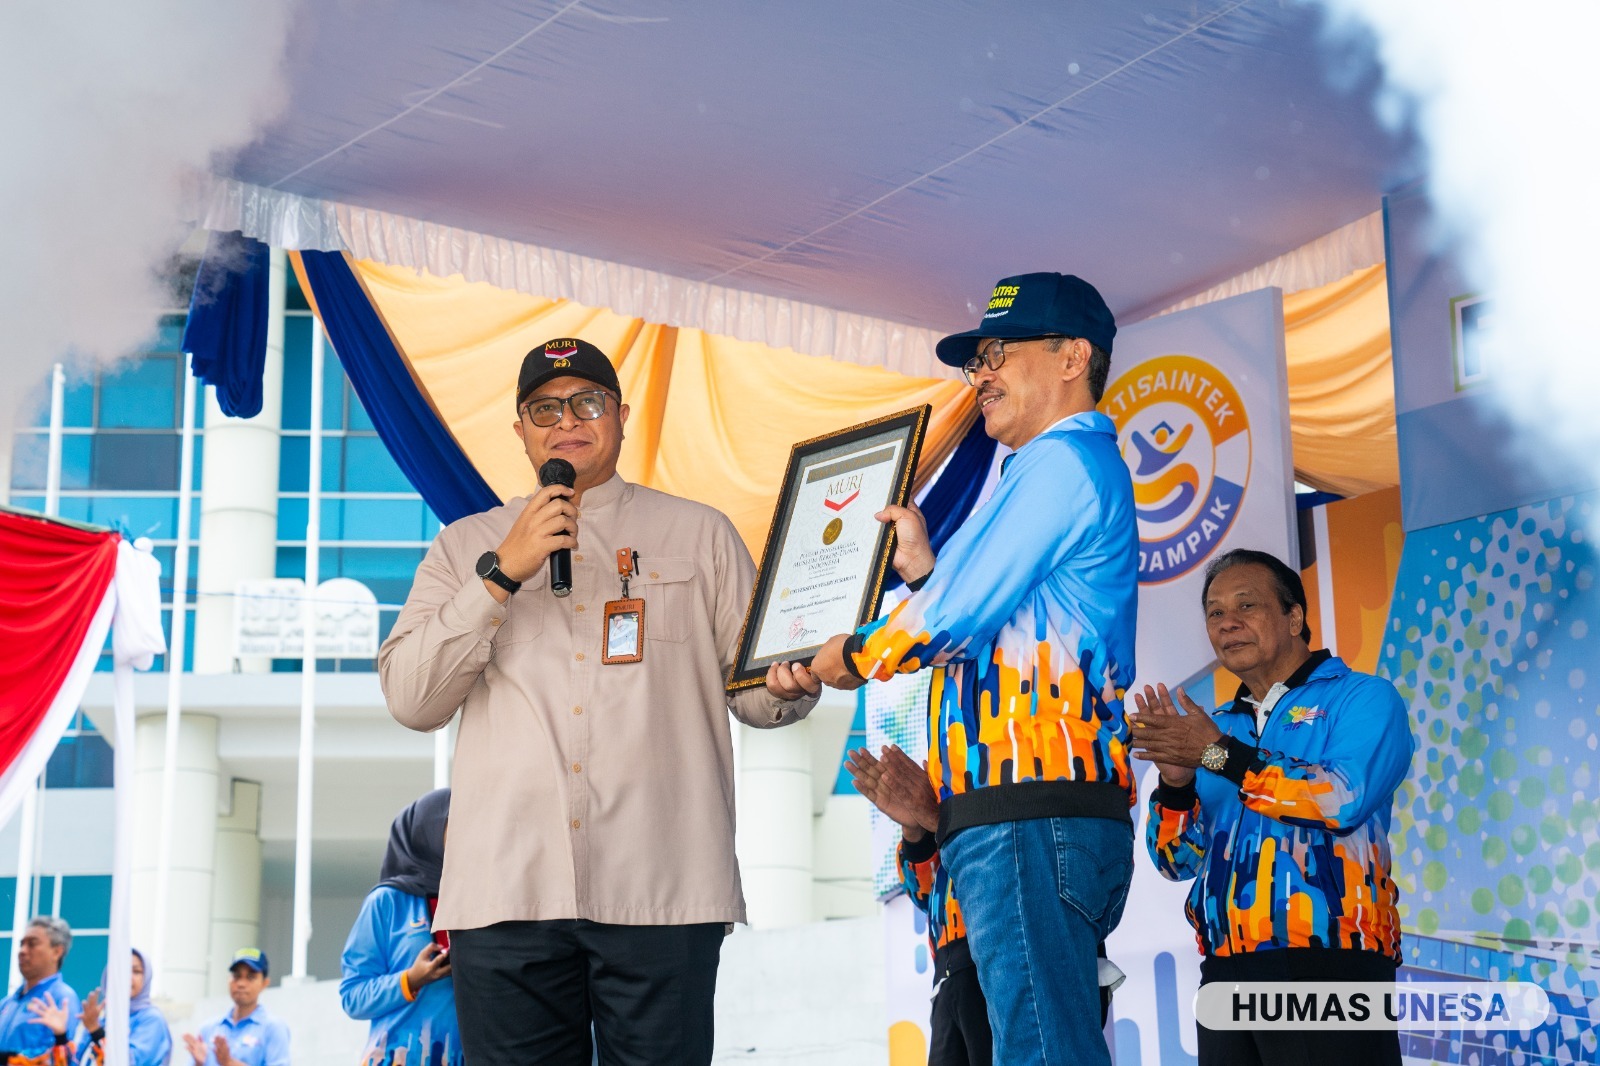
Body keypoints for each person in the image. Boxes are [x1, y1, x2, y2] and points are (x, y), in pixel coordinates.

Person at [379, 338, 820, 1065]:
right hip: (506, 891)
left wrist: (789, 687)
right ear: (520, 430)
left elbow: (757, 692)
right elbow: (411, 698)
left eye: (587, 402)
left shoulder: (699, 534)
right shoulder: (466, 547)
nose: (567, 421)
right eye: (544, 409)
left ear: (620, 415)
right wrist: (502, 573)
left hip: (663, 883)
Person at [811, 272, 1139, 1065]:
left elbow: (954, 617)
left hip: (1032, 811)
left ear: (1073, 357)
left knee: (1042, 1052)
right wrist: (927, 576)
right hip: (1024, 811)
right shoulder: (1043, 470)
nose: (981, 376)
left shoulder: (1063, 462)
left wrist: (848, 656)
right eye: (977, 361)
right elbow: (993, 625)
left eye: (999, 354)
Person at [1129, 548, 1413, 1066]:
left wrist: (1219, 755)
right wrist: (1176, 784)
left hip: (1331, 966)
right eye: (1215, 612)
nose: (1227, 622)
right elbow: (1176, 862)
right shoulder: (1214, 727)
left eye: (1246, 605)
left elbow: (1339, 800)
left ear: (1294, 617)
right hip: (1225, 975)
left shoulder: (1363, 698)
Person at [341, 789, 460, 1066]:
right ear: (426, 833)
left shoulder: (474, 900)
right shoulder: (387, 902)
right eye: (453, 825)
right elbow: (352, 996)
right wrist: (410, 979)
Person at [30, 948, 172, 1066]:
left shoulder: (151, 1019)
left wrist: (97, 1033)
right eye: (122, 971)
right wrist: (61, 1036)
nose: (128, 977)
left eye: (136, 971)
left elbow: (127, 1062)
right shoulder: (103, 1020)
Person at [181, 951, 289, 1066]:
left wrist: (229, 1063)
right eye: (236, 976)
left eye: (251, 977)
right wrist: (199, 1064)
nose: (241, 983)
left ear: (264, 983)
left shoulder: (273, 1029)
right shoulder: (208, 1029)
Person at [0, 916, 80, 1063]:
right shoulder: (7, 1004)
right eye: (22, 944)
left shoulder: (62, 998)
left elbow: (64, 1056)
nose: (22, 951)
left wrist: (9, 1059)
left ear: (57, 952)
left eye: (32, 944)